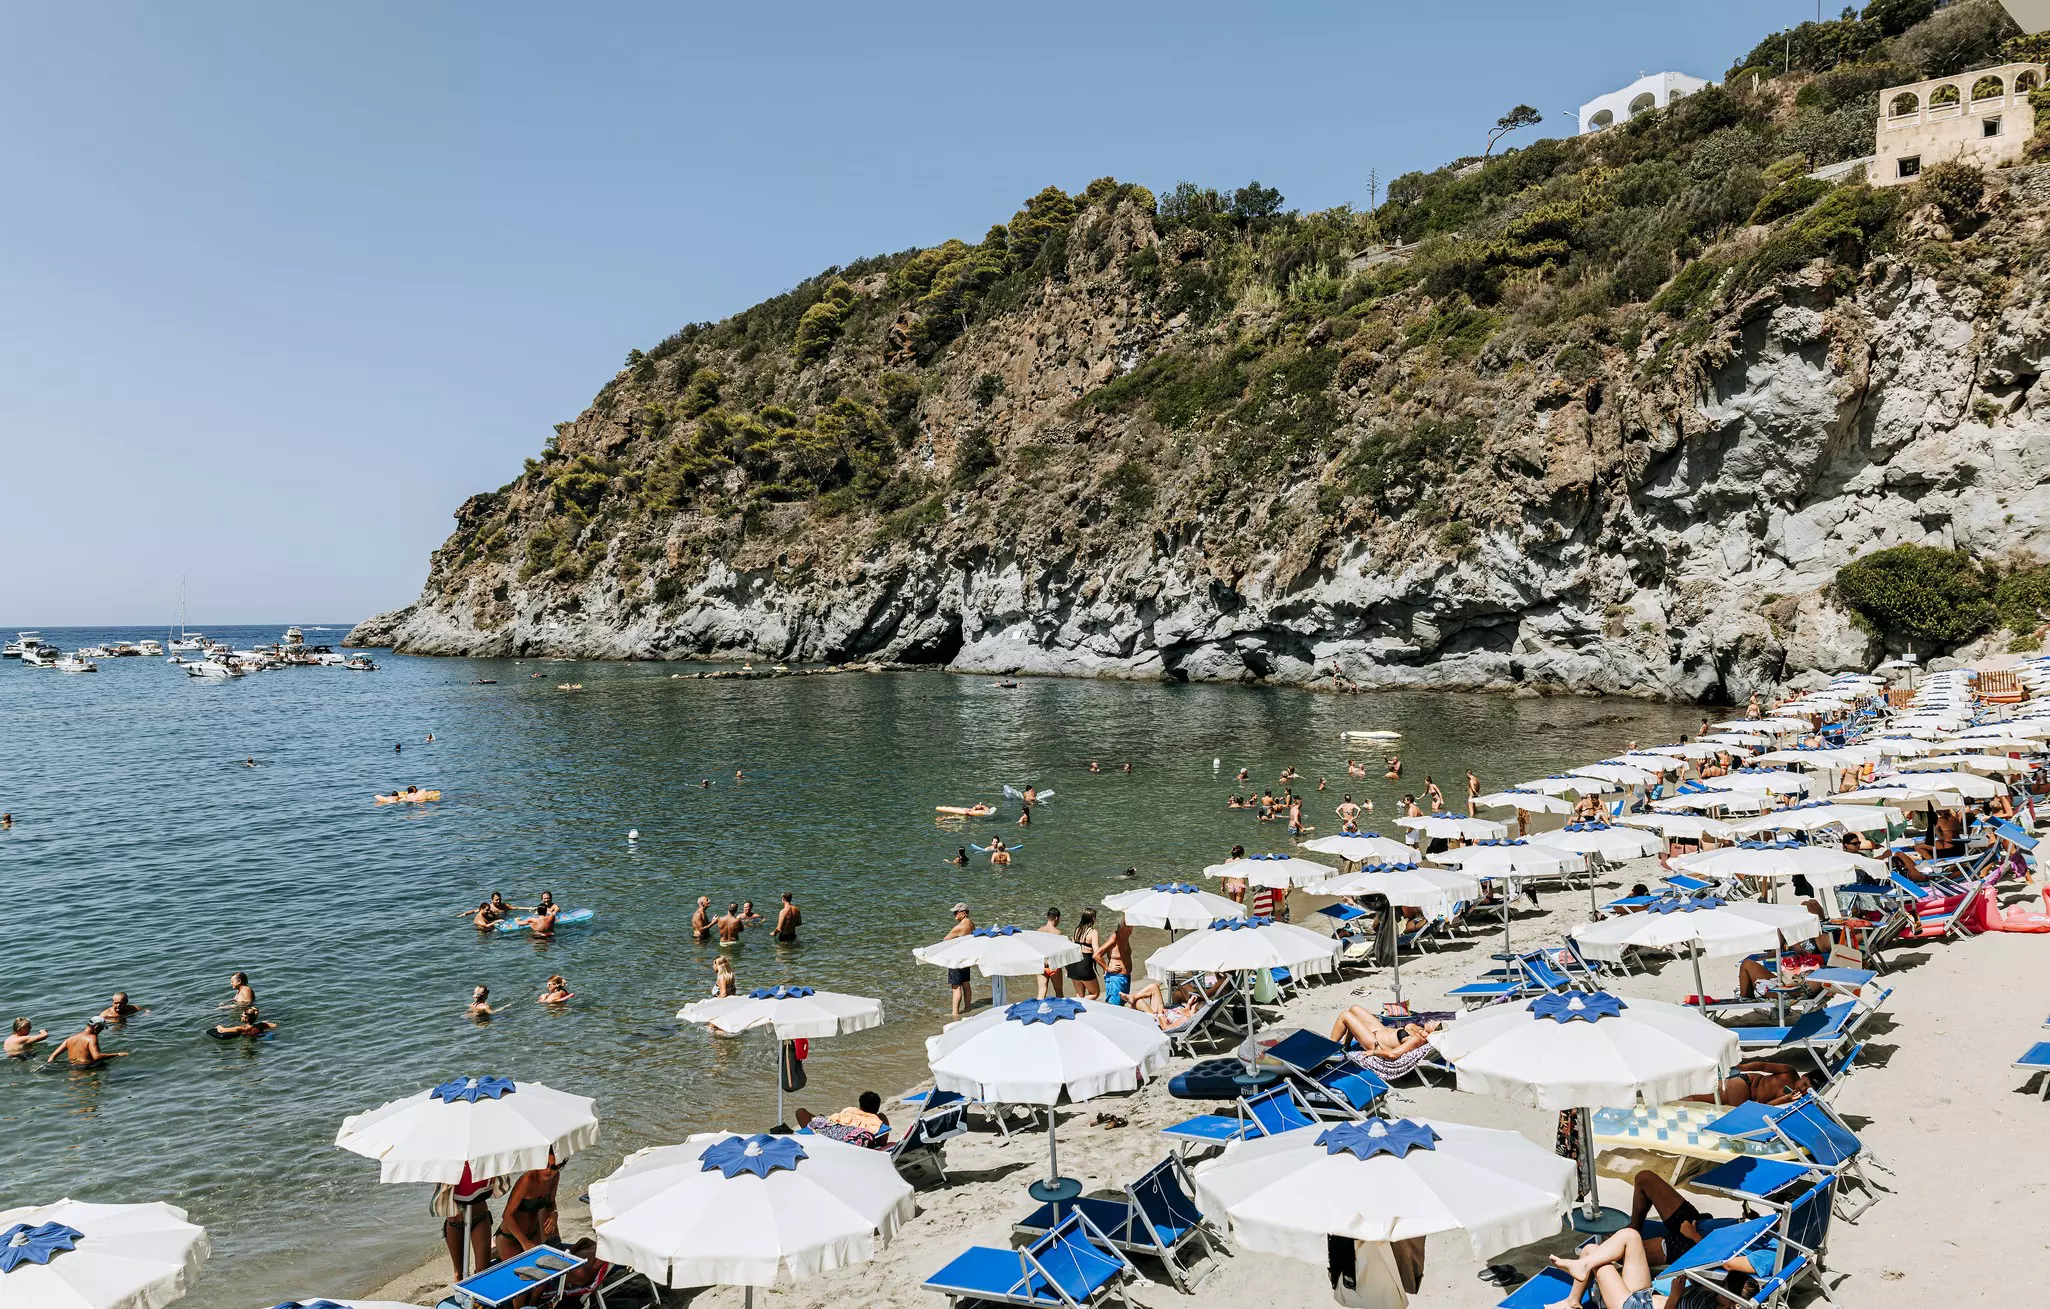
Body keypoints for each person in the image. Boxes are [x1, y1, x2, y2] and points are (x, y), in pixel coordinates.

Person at [495, 1150, 562, 1259]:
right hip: (510, 1238)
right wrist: (524, 1242)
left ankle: (497, 1252)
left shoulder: (555, 1176)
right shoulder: (527, 1180)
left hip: (533, 1233)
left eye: (554, 1167)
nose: (548, 1171)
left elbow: (551, 1202)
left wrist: (554, 1213)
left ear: (559, 1166)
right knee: (522, 1269)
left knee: (545, 1265)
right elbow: (506, 1215)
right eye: (545, 1165)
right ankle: (497, 1251)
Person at [1682, 1059, 1812, 1107]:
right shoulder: (1789, 1072)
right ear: (1804, 1076)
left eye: (1808, 1090)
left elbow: (1766, 1105)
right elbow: (1763, 1066)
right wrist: (1743, 1067)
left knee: (1698, 1093)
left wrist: (1786, 1099)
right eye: (1805, 1084)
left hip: (1742, 1088)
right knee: (1698, 1096)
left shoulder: (1796, 1098)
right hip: (1745, 1084)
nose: (1803, 1089)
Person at [444, 1163, 495, 1278]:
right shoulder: (448, 1162)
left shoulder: (476, 1158)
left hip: (479, 1218)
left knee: (483, 1271)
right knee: (458, 1273)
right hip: (454, 1222)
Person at [1330, 1007, 1440, 1056]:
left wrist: (1374, 1052)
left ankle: (1328, 1050)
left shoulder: (1416, 1040)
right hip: (1380, 1030)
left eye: (1435, 1025)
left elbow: (1393, 1054)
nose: (1433, 1021)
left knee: (1345, 1015)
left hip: (1375, 1043)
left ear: (1434, 1033)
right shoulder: (1419, 1029)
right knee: (1354, 1009)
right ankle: (1346, 1045)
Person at [795, 1091, 890, 1147]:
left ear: (861, 1106)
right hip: (840, 1132)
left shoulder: (851, 1110)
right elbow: (882, 1143)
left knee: (800, 1111)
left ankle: (810, 1132)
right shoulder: (878, 1120)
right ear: (877, 1107)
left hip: (832, 1129)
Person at [47, 1017, 126, 1067]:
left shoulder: (70, 1038)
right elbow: (96, 1056)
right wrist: (117, 1054)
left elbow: (53, 1056)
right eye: (101, 1028)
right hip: (87, 1067)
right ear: (96, 1027)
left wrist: (49, 1066)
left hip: (72, 1066)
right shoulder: (92, 1038)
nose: (101, 1031)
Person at [944, 903, 976, 1016]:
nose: (954, 915)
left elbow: (945, 940)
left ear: (964, 913)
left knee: (956, 987)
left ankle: (955, 1013)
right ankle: (967, 1008)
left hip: (956, 959)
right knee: (966, 983)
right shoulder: (971, 924)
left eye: (956, 912)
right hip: (966, 957)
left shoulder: (959, 927)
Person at [1094, 913, 1133, 1005]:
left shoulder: (1125, 936)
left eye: (1131, 926)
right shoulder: (1115, 937)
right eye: (1128, 926)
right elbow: (1096, 955)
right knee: (1114, 1006)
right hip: (1116, 978)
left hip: (1125, 978)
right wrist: (1107, 968)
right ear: (1122, 926)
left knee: (1122, 1004)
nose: (1131, 929)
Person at [1067, 907, 1102, 1000]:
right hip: (1085, 964)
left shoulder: (1077, 930)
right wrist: (1105, 967)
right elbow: (1097, 952)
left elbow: (1072, 947)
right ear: (1093, 918)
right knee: (1095, 993)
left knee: (1079, 994)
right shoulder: (1093, 932)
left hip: (1073, 964)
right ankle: (1079, 1003)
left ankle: (1077, 1006)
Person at [1036, 907, 1066, 999]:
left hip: (1042, 964)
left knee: (1041, 992)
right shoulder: (1058, 933)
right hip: (1054, 965)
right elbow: (1061, 952)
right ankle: (1060, 1008)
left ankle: (1039, 1007)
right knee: (1059, 992)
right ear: (1056, 918)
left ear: (1048, 917)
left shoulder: (1038, 931)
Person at [211, 1005, 275, 1038]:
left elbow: (221, 1031)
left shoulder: (242, 1028)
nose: (240, 1016)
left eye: (242, 1015)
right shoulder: (261, 1025)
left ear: (246, 1019)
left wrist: (219, 1026)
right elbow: (275, 1025)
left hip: (247, 1041)